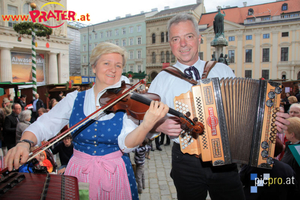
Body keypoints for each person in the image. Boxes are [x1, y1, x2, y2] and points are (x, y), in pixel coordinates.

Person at [148, 13, 290, 200]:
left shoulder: (221, 70)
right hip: (186, 160)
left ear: (199, 39)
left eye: (189, 36)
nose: (183, 44)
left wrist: (270, 118)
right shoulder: (162, 79)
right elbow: (144, 120)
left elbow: (244, 107)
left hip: (226, 160)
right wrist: (159, 125)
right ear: (170, 44)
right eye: (176, 39)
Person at [5, 42, 169, 200]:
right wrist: (25, 142)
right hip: (80, 173)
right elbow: (45, 123)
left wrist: (147, 125)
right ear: (93, 67)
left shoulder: (126, 102)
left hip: (116, 173)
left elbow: (126, 145)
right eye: (106, 63)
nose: (113, 69)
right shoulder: (74, 99)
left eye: (118, 65)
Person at [281, 117, 300, 191]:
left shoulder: (297, 152)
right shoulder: (291, 146)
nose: (284, 132)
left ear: (292, 134)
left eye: (285, 130)